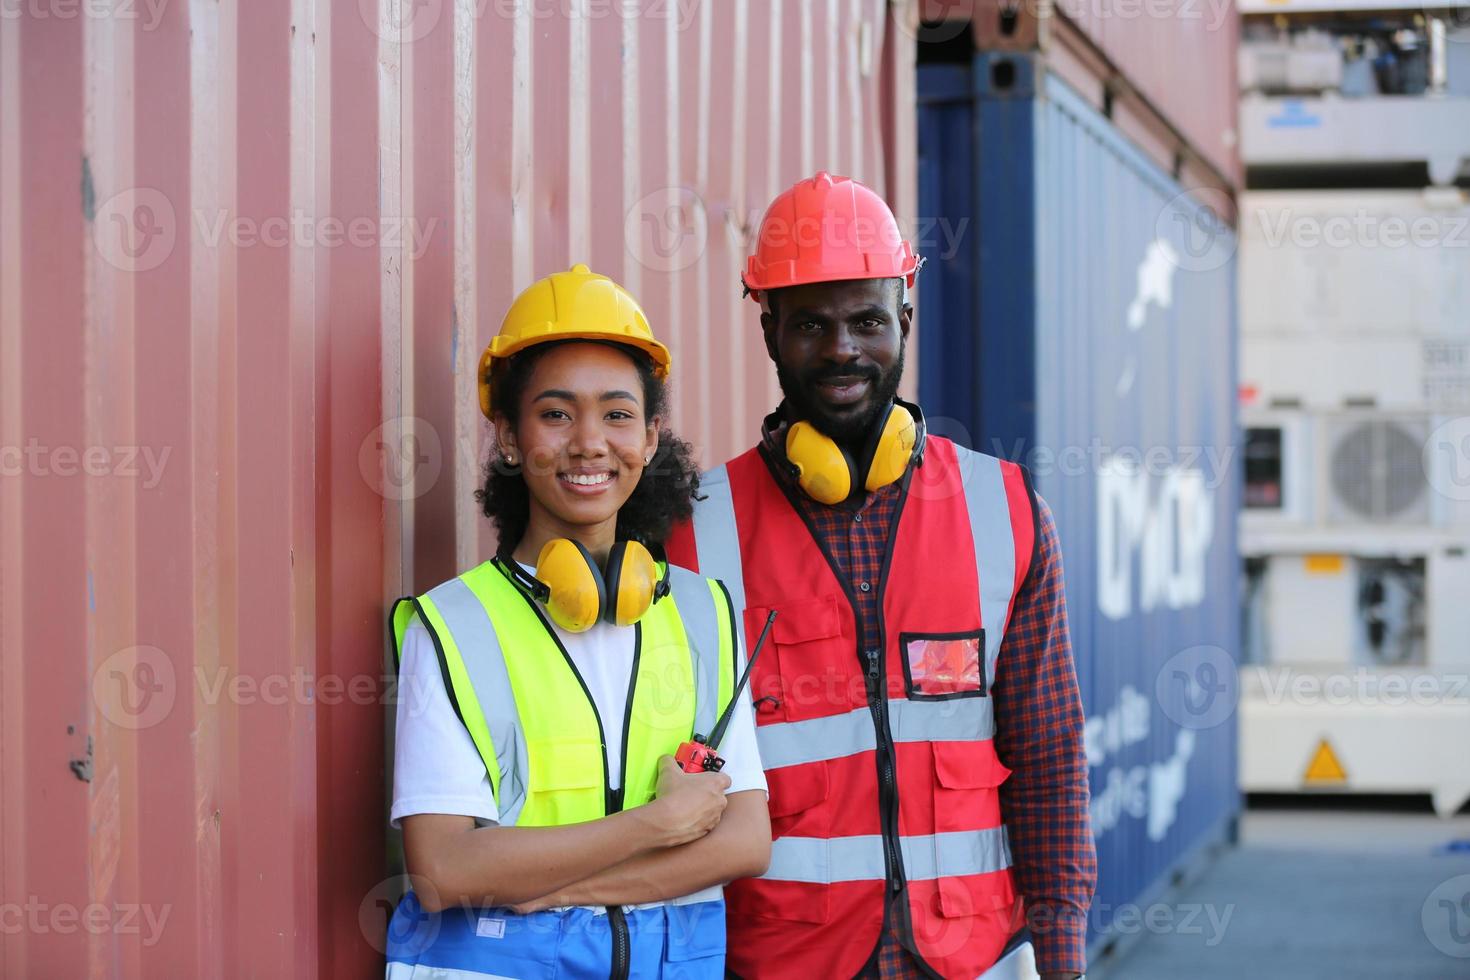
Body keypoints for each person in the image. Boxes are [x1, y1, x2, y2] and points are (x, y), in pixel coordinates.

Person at [667, 173, 1096, 979]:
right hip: (781, 964)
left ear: (904, 317)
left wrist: (1062, 956)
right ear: (770, 335)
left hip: (973, 960)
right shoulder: (694, 533)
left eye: (867, 320)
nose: (841, 349)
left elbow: (1049, 761)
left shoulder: (1002, 513)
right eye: (811, 325)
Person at [386, 264, 771, 978]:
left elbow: (745, 840)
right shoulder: (451, 625)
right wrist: (655, 827)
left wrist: (564, 887)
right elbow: (442, 868)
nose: (590, 441)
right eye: (556, 413)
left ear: (652, 437)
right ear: (507, 436)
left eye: (618, 414)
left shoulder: (701, 612)